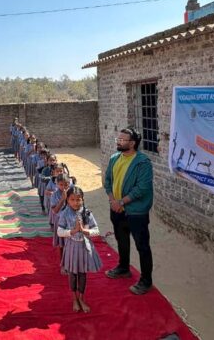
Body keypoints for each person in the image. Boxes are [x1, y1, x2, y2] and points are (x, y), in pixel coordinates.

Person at [103, 128, 155, 295]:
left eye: (122, 140)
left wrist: (121, 202)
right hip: (116, 209)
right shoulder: (114, 158)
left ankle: (146, 281)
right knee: (122, 240)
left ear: (132, 143)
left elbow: (142, 188)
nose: (118, 142)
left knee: (142, 246)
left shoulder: (142, 162)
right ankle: (123, 268)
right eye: (118, 139)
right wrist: (113, 200)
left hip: (136, 212)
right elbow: (108, 181)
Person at [57, 187, 102, 313]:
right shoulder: (64, 213)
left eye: (78, 200)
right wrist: (73, 231)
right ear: (67, 199)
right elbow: (59, 231)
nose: (76, 202)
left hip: (84, 248)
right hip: (71, 248)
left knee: (82, 274)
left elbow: (96, 230)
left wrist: (85, 231)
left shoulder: (87, 213)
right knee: (72, 274)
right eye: (72, 200)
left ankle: (81, 298)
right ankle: (74, 299)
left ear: (83, 199)